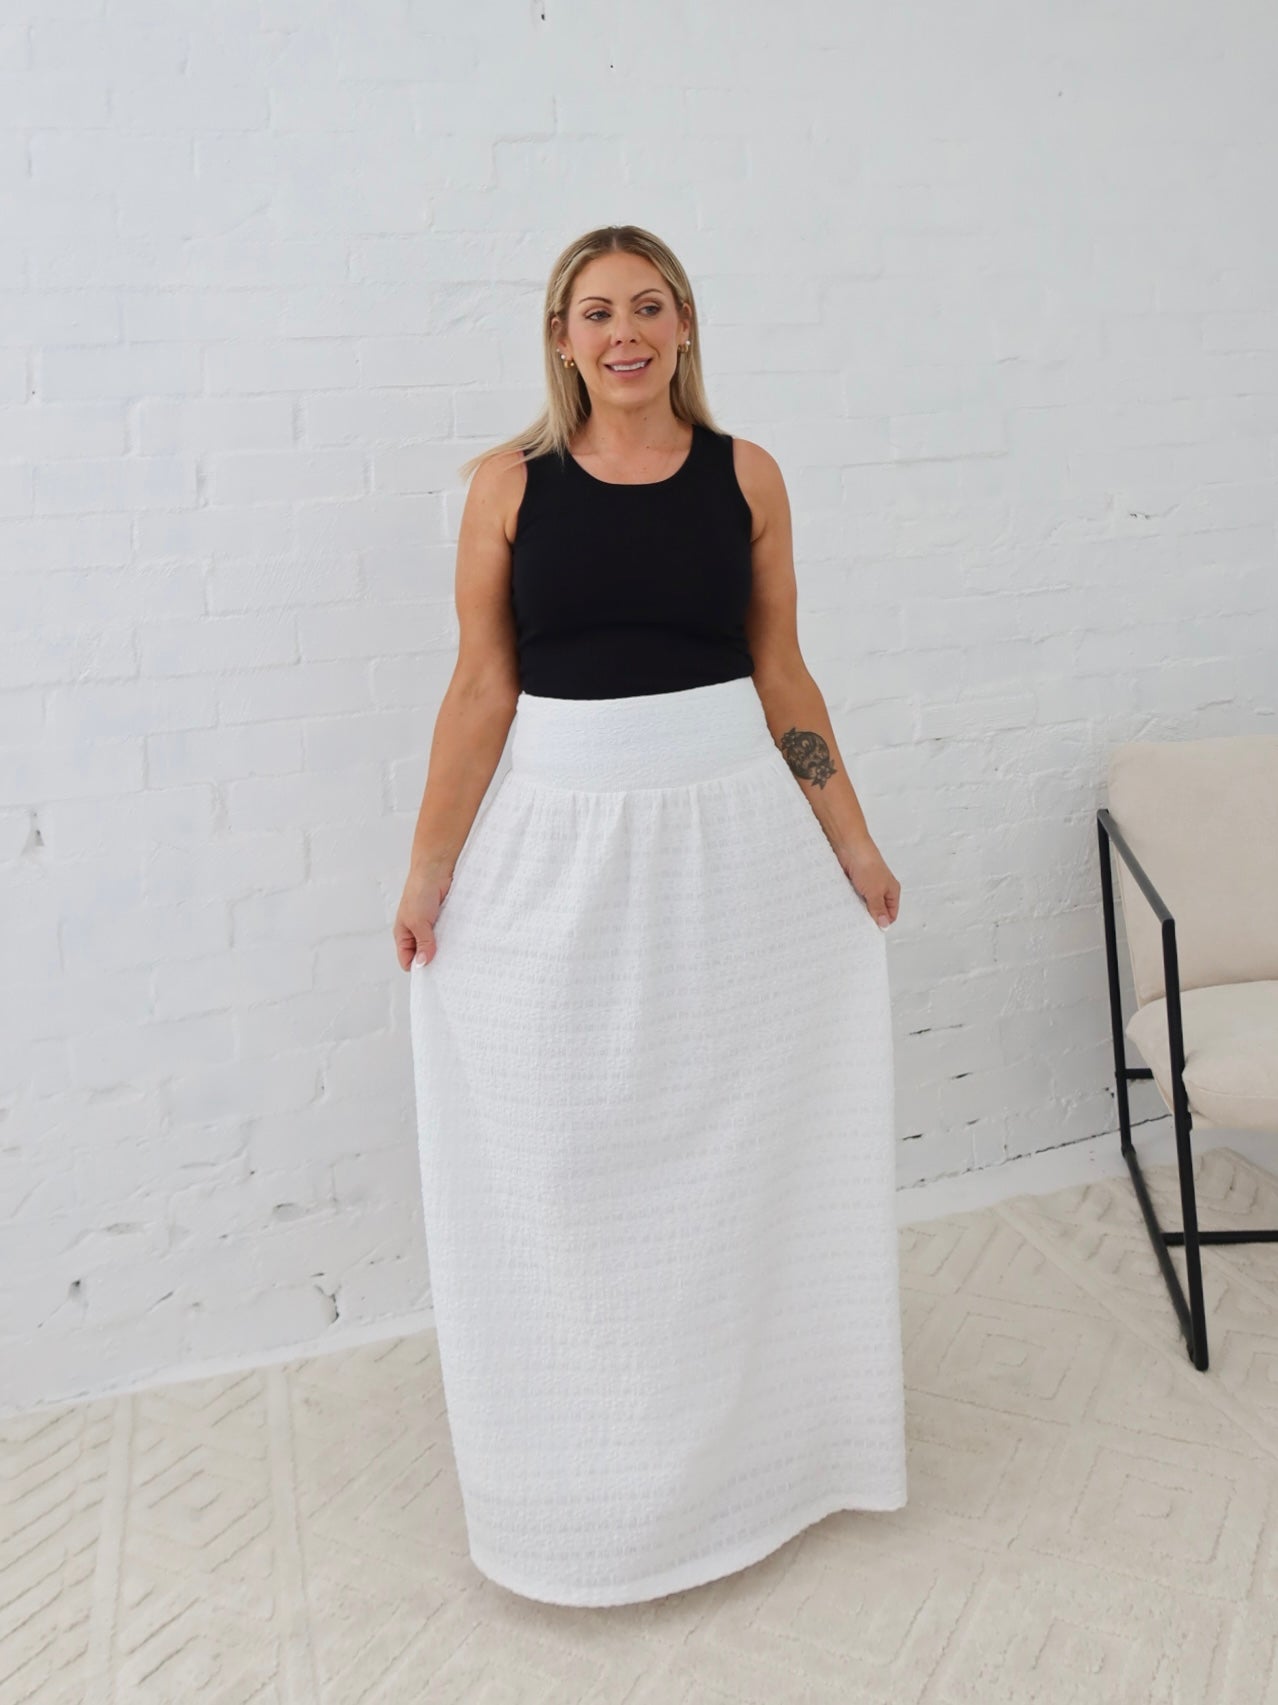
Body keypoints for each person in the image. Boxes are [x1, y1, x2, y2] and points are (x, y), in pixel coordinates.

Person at [393, 224, 907, 1609]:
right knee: (572, 1155)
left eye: (648, 306)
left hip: (734, 846)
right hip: (558, 842)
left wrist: (852, 842)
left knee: (731, 1155)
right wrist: (430, 871)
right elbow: (481, 687)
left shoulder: (748, 475)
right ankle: (582, 1478)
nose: (623, 332)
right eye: (595, 311)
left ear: (683, 325)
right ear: (561, 338)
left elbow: (781, 671)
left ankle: (756, 1459)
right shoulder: (508, 487)